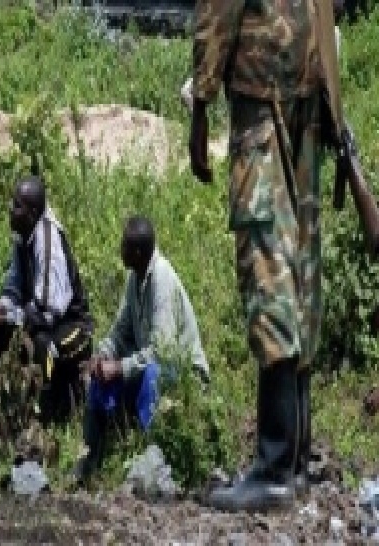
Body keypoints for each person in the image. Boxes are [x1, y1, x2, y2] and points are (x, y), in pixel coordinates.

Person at [190, 0, 344, 512]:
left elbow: (218, 9)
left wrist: (200, 103)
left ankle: (275, 467)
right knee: (300, 272)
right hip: (308, 95)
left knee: (268, 268)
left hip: (261, 100)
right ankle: (295, 462)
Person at [74, 216, 209, 482]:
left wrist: (121, 367)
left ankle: (152, 461)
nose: (120, 250)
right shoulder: (135, 278)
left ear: (136, 252)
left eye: (124, 246)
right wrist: (102, 356)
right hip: (151, 362)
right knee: (100, 377)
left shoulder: (162, 279)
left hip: (184, 373)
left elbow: (162, 350)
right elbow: (120, 330)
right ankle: (89, 461)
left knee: (151, 375)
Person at [0, 175, 93, 424]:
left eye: (17, 206)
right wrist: (1, 309)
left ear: (32, 213)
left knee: (43, 344)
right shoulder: (23, 235)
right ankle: (2, 408)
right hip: (41, 317)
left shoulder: (47, 242)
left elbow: (48, 311)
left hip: (73, 328)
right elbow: (13, 287)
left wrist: (13, 316)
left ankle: (49, 413)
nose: (11, 209)